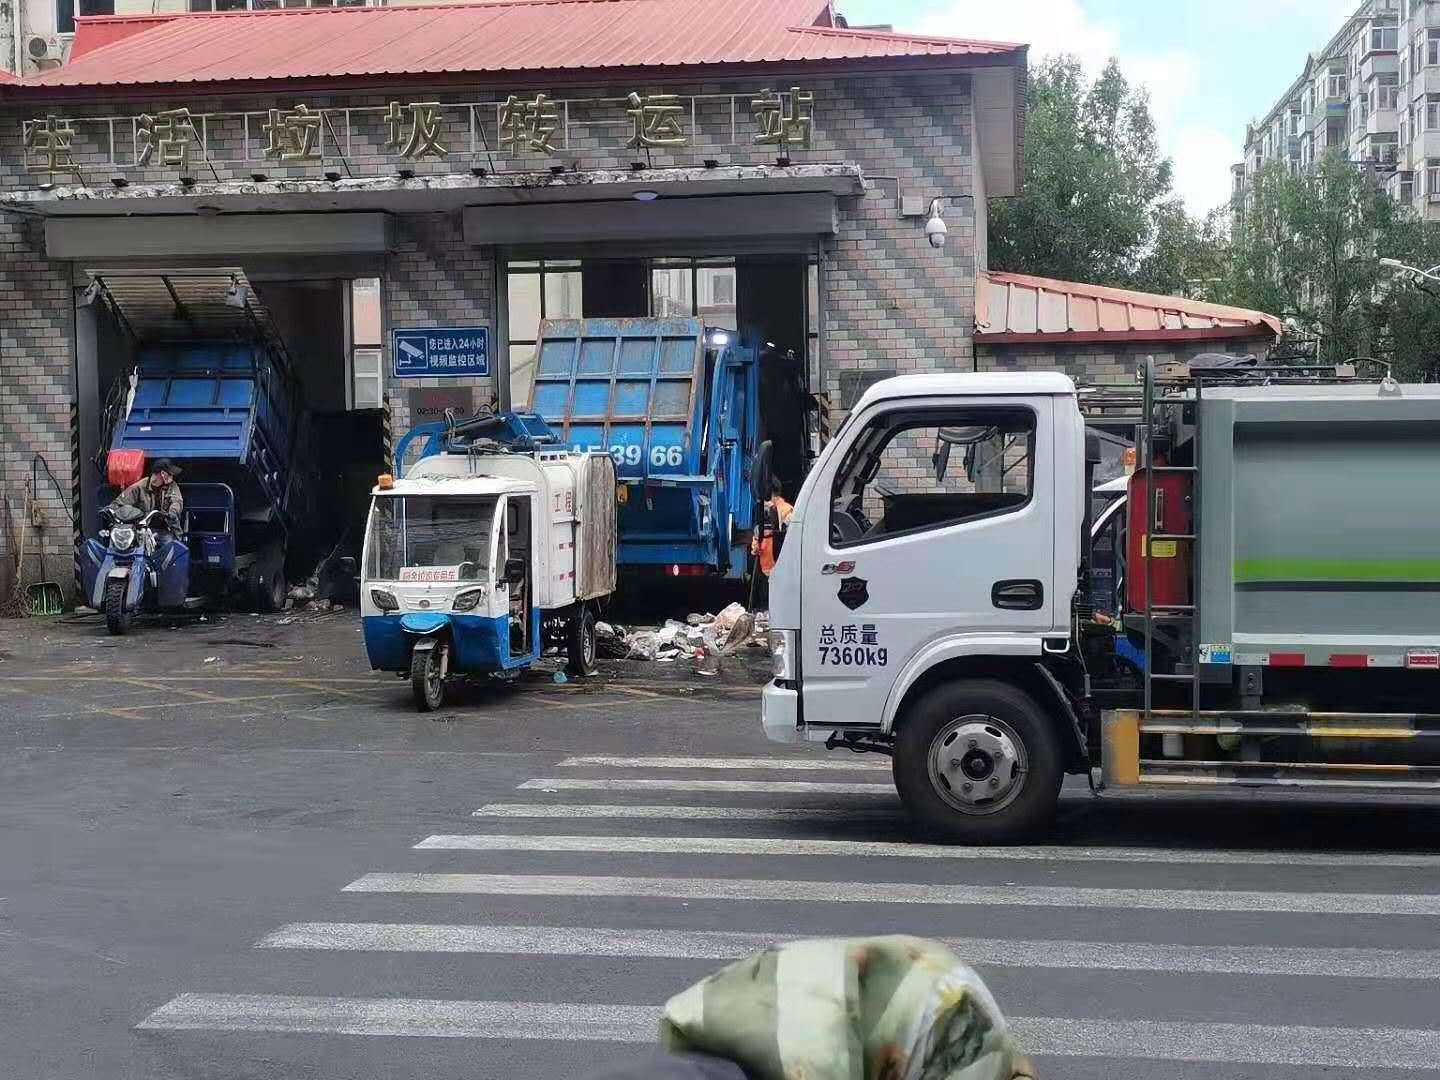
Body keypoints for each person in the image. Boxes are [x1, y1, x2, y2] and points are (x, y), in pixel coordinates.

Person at [109, 457, 184, 526]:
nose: (172, 476)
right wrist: (110, 510)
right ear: (163, 474)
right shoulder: (139, 487)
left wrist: (173, 512)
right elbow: (120, 502)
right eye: (170, 474)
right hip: (143, 528)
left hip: (168, 528)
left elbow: (177, 501)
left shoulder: (172, 485)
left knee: (170, 540)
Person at [750, 479, 793, 577]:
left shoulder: (785, 510)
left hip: (779, 569)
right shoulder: (765, 514)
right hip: (768, 570)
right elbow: (757, 540)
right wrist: (756, 547)